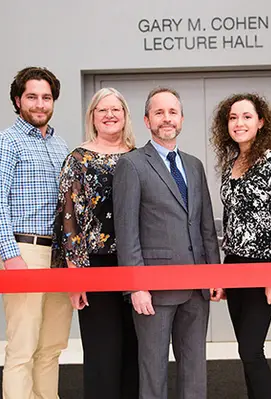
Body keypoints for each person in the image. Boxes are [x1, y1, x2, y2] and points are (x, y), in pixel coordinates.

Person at [113, 87, 221, 399]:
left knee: (194, 368)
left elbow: (204, 226)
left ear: (182, 119)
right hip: (155, 290)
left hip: (197, 288)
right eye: (159, 113)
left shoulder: (194, 165)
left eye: (172, 112)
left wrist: (214, 275)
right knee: (153, 369)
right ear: (147, 120)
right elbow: (127, 230)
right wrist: (136, 285)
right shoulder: (131, 165)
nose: (166, 118)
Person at [0, 66, 72, 399]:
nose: (39, 104)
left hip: (58, 257)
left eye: (46, 97)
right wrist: (10, 255)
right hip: (24, 252)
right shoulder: (2, 142)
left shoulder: (61, 145)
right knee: (22, 348)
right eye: (32, 96)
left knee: (51, 347)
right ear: (17, 100)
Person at [51, 87, 139, 398]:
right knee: (103, 349)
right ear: (93, 117)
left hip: (134, 264)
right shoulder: (77, 159)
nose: (110, 115)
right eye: (103, 110)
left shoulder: (139, 156)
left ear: (126, 116)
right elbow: (69, 218)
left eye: (117, 109)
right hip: (94, 265)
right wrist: (76, 275)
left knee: (134, 348)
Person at [209, 93, 271, 399]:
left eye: (246, 116)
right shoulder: (232, 162)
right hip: (233, 264)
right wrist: (221, 273)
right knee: (245, 348)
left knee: (251, 347)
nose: (239, 123)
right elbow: (229, 221)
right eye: (233, 117)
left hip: (262, 266)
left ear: (260, 122)